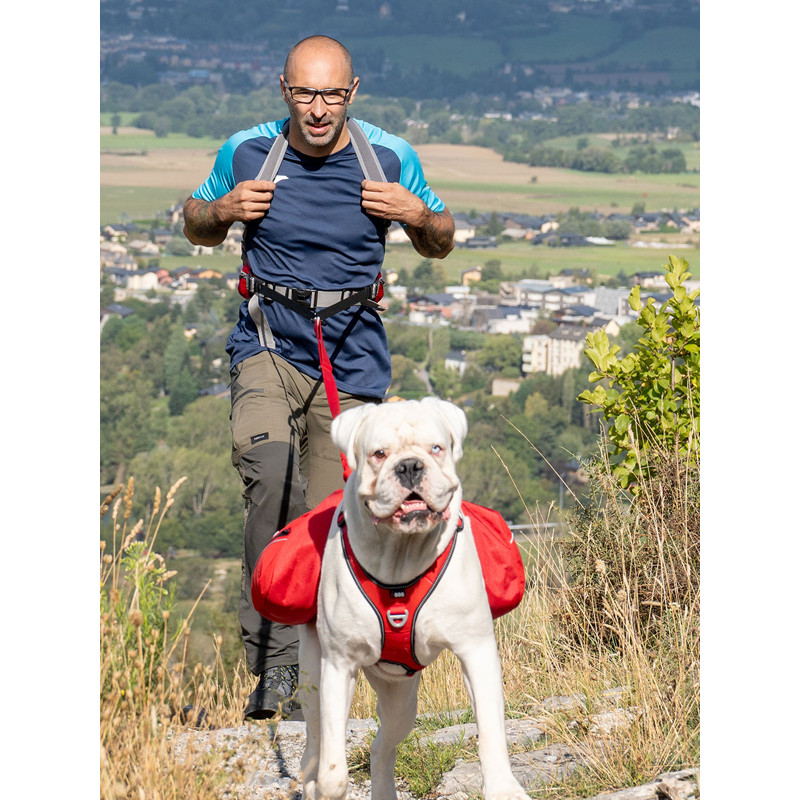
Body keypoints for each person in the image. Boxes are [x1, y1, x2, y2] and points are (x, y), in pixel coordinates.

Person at [183, 34, 455, 721]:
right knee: (271, 479)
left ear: (353, 93)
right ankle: (272, 668)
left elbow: (443, 236)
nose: (318, 108)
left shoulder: (388, 157)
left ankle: (324, 670)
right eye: (306, 93)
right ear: (284, 91)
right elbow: (195, 222)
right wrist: (223, 211)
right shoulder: (248, 152)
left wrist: (415, 215)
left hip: (354, 354)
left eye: (332, 94)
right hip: (269, 343)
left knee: (336, 520)